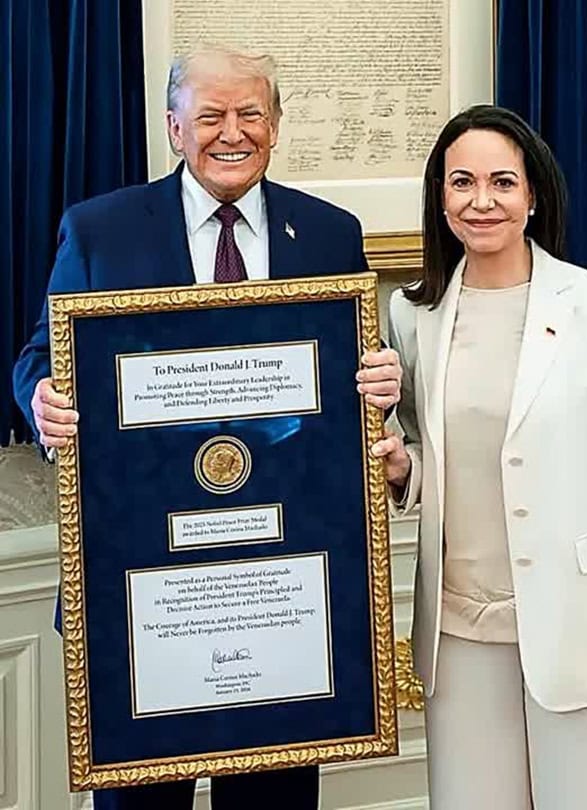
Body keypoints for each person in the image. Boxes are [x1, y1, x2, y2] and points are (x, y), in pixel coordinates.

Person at [10, 47, 400, 810]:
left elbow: (345, 385)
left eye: (251, 113)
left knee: (275, 797)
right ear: (173, 126)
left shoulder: (327, 233)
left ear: (276, 124)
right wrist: (43, 398)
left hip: (283, 580)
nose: (233, 132)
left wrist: (380, 384)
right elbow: (38, 354)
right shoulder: (100, 230)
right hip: (142, 579)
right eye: (212, 114)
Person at [371, 104, 587, 810]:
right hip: (458, 632)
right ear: (439, 197)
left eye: (502, 183)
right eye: (461, 183)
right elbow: (426, 451)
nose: (481, 201)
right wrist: (400, 470)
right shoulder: (412, 315)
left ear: (533, 195)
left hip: (581, 626)